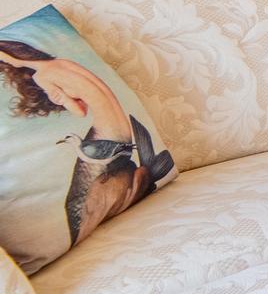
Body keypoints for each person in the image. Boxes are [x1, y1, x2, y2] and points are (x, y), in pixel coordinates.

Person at [0, 39, 174, 249]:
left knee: (78, 204)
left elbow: (79, 111)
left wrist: (60, 98)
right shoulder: (62, 63)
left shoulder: (43, 76)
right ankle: (141, 175)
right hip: (120, 128)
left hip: (107, 135)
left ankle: (143, 176)